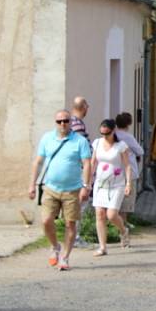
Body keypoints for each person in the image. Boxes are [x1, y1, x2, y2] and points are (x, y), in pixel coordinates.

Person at [28, 110, 92, 271]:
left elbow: (87, 164)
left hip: (73, 190)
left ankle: (65, 257)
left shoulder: (79, 141)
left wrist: (86, 186)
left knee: (70, 223)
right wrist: (32, 185)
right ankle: (55, 246)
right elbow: (38, 162)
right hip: (50, 188)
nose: (63, 124)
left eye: (66, 120)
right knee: (46, 220)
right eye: (59, 121)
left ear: (71, 122)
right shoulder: (47, 138)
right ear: (55, 122)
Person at [90, 119, 132, 255]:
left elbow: (127, 165)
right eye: (102, 134)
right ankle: (103, 247)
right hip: (100, 184)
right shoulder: (97, 143)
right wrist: (88, 180)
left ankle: (123, 231)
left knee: (112, 214)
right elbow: (93, 163)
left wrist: (128, 183)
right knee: (100, 214)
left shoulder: (121, 146)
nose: (105, 136)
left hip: (116, 184)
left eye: (107, 133)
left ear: (113, 131)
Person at [69, 96, 91, 249]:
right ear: (83, 107)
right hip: (78, 171)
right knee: (80, 205)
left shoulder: (72, 122)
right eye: (87, 106)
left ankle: (74, 236)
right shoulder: (77, 124)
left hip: (74, 170)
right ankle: (75, 238)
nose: (88, 109)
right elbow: (82, 150)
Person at [115, 112, 144, 225]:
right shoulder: (128, 137)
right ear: (129, 124)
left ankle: (116, 225)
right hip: (129, 172)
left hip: (116, 171)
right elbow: (140, 151)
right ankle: (123, 224)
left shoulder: (113, 135)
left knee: (116, 202)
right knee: (126, 203)